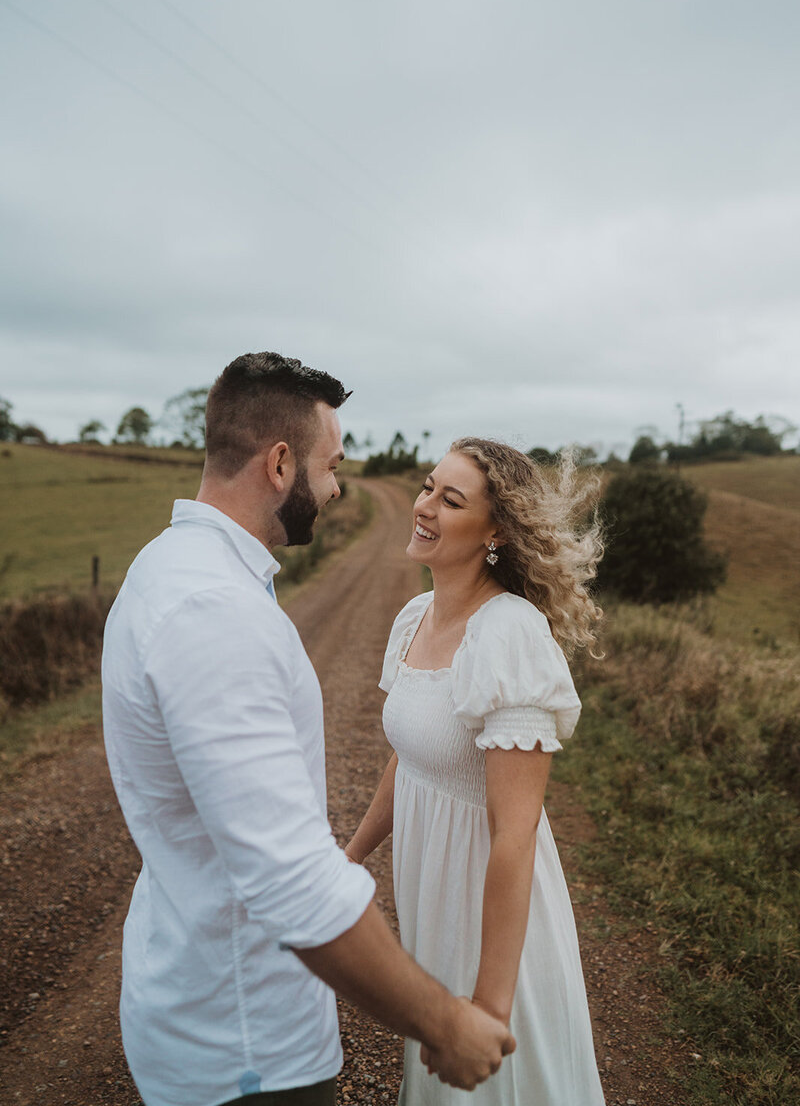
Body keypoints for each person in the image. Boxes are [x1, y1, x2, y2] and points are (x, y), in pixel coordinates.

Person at [101, 355, 514, 1106]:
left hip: (213, 1006)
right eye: (331, 467)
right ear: (281, 463)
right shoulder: (213, 613)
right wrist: (445, 1022)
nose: (335, 488)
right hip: (246, 1045)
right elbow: (292, 882)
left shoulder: (172, 568)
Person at [346, 438, 607, 1104]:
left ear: (495, 531)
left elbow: (514, 839)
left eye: (450, 499)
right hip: (428, 890)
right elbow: (407, 761)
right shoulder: (414, 618)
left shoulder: (509, 635)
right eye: (428, 487)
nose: (425, 507)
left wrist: (490, 1007)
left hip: (486, 911)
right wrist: (348, 858)